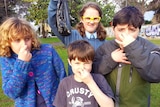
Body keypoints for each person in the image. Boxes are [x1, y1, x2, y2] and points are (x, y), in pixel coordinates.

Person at [93, 6, 160, 107]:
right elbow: (94, 71)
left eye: (132, 30)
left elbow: (156, 74)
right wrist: (111, 59)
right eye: (121, 30)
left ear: (139, 30)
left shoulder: (149, 48)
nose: (126, 35)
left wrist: (132, 47)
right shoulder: (104, 48)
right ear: (113, 29)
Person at [0, 17, 66, 107]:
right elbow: (11, 92)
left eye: (27, 39)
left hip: (53, 103)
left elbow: (62, 76)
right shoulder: (7, 59)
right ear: (8, 42)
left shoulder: (48, 51)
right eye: (17, 40)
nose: (24, 45)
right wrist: (21, 63)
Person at [48, 1, 107, 75]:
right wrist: (55, 1)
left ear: (100, 19)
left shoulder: (105, 43)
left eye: (95, 18)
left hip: (95, 85)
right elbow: (53, 22)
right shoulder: (70, 36)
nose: (91, 22)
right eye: (88, 18)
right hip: (74, 85)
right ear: (81, 19)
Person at [53, 40, 114, 107]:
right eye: (77, 63)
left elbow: (109, 105)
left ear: (92, 62)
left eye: (86, 63)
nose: (82, 67)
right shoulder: (65, 83)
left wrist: (90, 82)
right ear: (70, 62)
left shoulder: (99, 79)